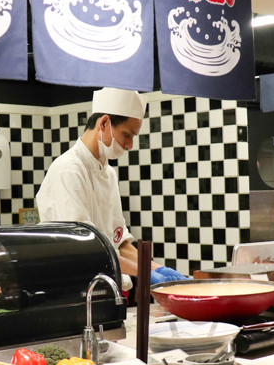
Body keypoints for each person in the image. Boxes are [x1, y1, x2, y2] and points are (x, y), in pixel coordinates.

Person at [36, 87, 186, 285]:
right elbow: (86, 249)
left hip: (107, 286)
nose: (130, 145)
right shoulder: (68, 170)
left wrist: (157, 268)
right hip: (75, 288)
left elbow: (119, 243)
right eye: (127, 135)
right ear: (104, 123)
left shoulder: (108, 173)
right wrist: (144, 272)